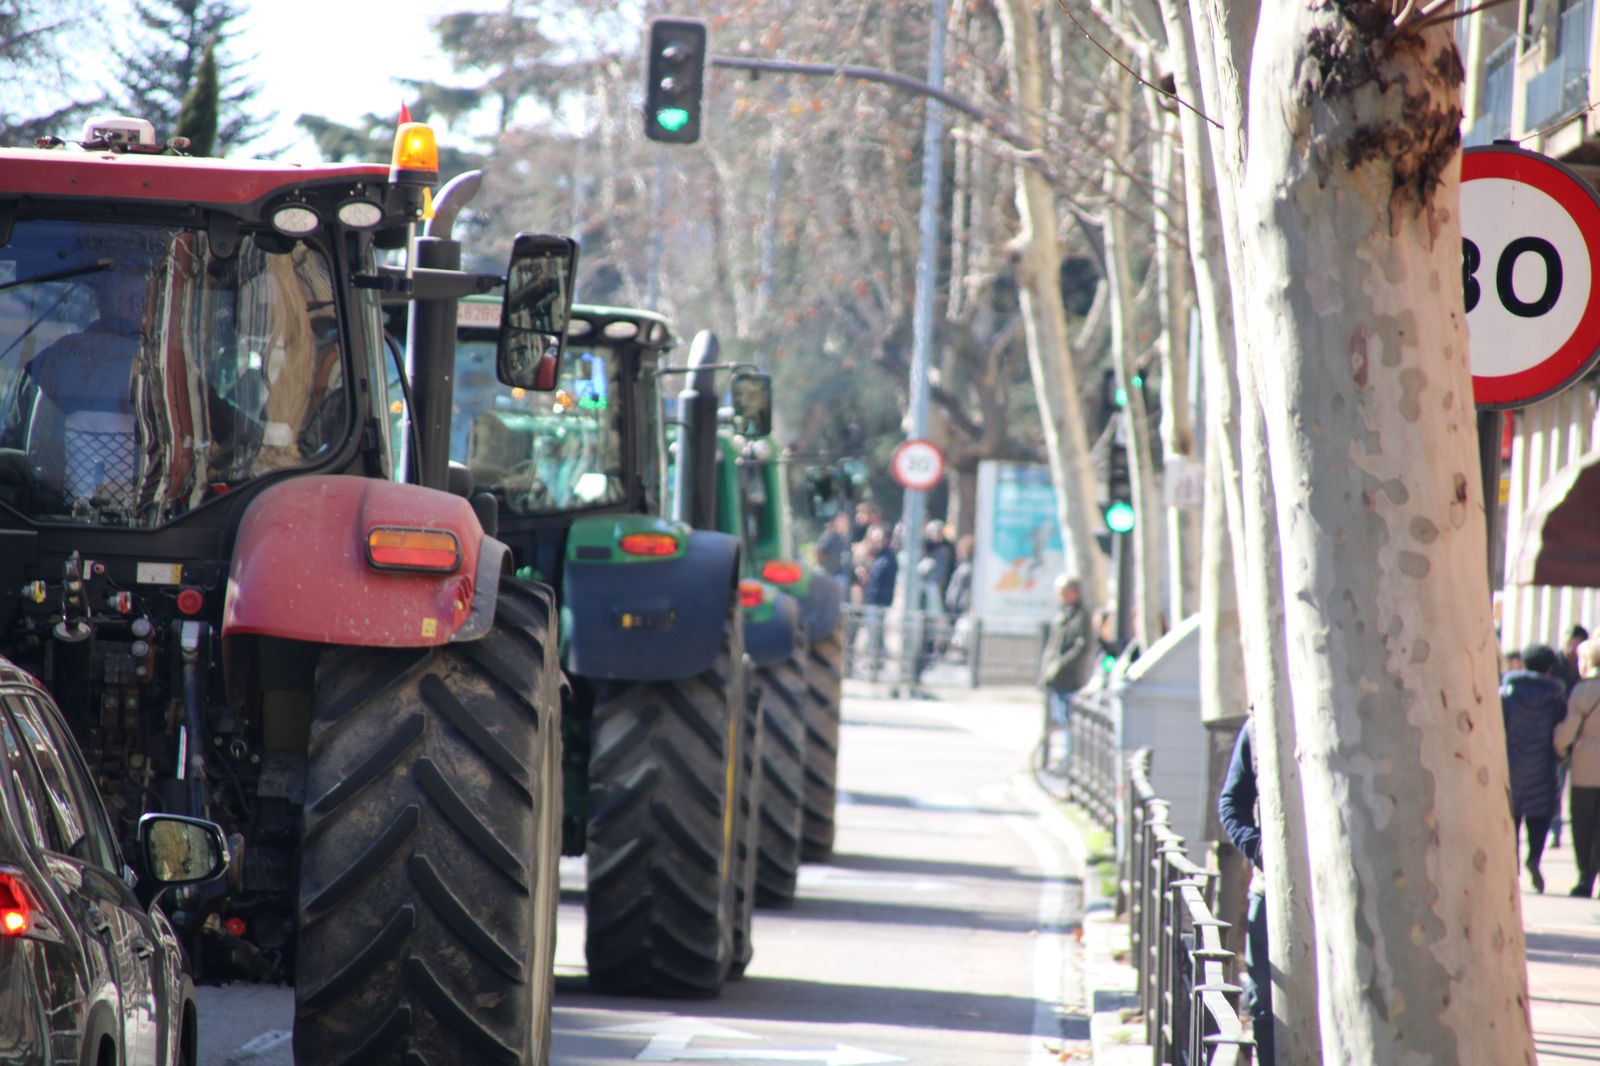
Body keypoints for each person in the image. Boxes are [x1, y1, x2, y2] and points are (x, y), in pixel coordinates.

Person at [1217, 721, 1273, 1066]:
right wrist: (1261, 849)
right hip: (1270, 893)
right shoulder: (1257, 727)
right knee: (1266, 1003)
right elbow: (1232, 803)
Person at [1502, 644, 1569, 893]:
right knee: (1539, 818)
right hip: (1543, 765)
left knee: (1512, 818)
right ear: (1550, 668)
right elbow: (1562, 730)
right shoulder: (1556, 698)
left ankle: (1513, 862)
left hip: (1512, 764)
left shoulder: (1508, 693)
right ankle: (1534, 858)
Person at [1556, 636, 1600, 896]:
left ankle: (1585, 875)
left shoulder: (1583, 691)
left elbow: (1567, 732)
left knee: (1582, 822)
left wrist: (1560, 748)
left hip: (1585, 765)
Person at [1039, 576, 1091, 760]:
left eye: (1062, 592)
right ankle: (1065, 758)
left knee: (1067, 720)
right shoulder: (1064, 613)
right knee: (1061, 719)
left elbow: (1081, 646)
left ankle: (1070, 759)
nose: (1058, 596)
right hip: (1056, 677)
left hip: (1068, 678)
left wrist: (1060, 666)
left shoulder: (1080, 616)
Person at [862, 525, 897, 680]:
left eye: (879, 539)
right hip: (874, 601)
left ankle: (876, 664)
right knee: (874, 634)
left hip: (879, 602)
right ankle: (875, 663)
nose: (876, 543)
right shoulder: (879, 557)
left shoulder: (888, 558)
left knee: (876, 634)